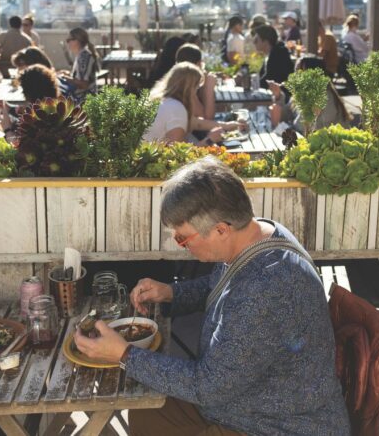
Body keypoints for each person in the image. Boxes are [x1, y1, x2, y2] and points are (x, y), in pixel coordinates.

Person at [74, 158, 349, 436]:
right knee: (145, 408)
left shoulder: (267, 287)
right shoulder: (257, 234)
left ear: (220, 229)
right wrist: (171, 293)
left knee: (145, 395)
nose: (180, 245)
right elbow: (224, 284)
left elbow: (208, 386)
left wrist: (124, 354)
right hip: (244, 401)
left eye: (183, 238)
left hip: (274, 425)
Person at [143, 63, 224, 145]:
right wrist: (209, 140)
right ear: (190, 88)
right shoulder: (176, 108)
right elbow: (177, 153)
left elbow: (196, 123)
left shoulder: (162, 101)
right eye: (197, 88)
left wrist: (229, 126)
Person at [269, 57, 350, 131]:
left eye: (299, 71)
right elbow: (286, 115)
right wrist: (278, 96)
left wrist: (283, 127)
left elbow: (304, 129)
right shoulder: (301, 93)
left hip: (332, 144)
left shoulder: (323, 97)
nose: (294, 75)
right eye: (295, 71)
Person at [58, 27, 99, 102]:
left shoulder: (84, 57)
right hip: (81, 99)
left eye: (69, 40)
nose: (67, 43)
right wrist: (68, 74)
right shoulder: (81, 55)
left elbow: (84, 85)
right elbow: (79, 78)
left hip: (84, 101)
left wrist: (66, 77)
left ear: (78, 40)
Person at [252, 24, 293, 89]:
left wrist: (249, 83)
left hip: (282, 96)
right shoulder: (271, 53)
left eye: (256, 40)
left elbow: (269, 79)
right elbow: (261, 76)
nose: (254, 42)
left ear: (265, 41)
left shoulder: (278, 54)